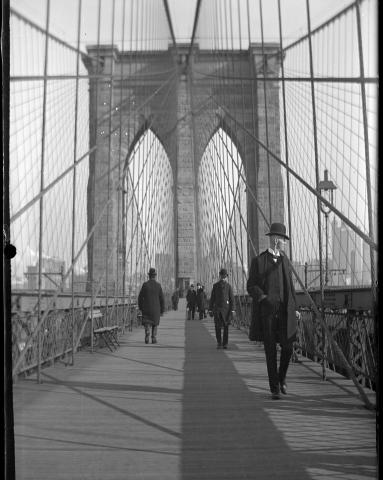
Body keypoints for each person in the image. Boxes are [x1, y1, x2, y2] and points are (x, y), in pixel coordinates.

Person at [247, 222, 301, 400]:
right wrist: (262, 297)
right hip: (268, 313)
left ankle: (282, 376)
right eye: (283, 239)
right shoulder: (259, 261)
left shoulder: (285, 261)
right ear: (275, 240)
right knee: (270, 351)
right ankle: (274, 388)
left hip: (285, 312)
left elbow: (290, 287)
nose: (284, 242)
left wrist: (295, 308)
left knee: (288, 347)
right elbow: (251, 286)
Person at [208, 268, 235, 349]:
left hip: (226, 311)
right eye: (222, 276)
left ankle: (225, 343)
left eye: (225, 276)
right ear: (220, 276)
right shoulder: (215, 286)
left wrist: (233, 310)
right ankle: (219, 342)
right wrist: (210, 309)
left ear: (226, 277)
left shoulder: (229, 286)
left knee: (226, 327)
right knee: (217, 327)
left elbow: (232, 299)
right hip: (217, 310)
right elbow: (212, 298)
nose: (223, 278)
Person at [138, 267, 165, 344]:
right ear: (155, 276)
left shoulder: (145, 285)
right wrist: (162, 310)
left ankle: (147, 333)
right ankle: (153, 338)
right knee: (155, 323)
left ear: (149, 276)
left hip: (146, 308)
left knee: (147, 322)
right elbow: (162, 299)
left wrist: (140, 307)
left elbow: (140, 297)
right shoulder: (158, 285)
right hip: (156, 309)